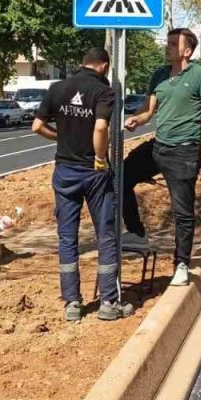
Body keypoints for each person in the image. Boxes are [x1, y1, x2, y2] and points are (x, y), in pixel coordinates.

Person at [32, 48, 135, 322]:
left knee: (67, 237)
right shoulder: (103, 92)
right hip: (93, 172)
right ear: (103, 66)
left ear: (82, 64)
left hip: (64, 171)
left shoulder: (57, 88)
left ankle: (72, 303)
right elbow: (101, 128)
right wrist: (100, 158)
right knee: (106, 234)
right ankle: (108, 302)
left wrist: (61, 139)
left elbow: (37, 126)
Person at [123, 28, 201, 286]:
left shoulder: (199, 75)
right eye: (166, 43)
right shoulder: (159, 75)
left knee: (182, 211)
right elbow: (148, 111)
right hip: (159, 146)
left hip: (186, 150)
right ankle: (135, 230)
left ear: (187, 51)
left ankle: (181, 263)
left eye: (172, 44)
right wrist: (137, 119)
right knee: (120, 175)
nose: (166, 48)